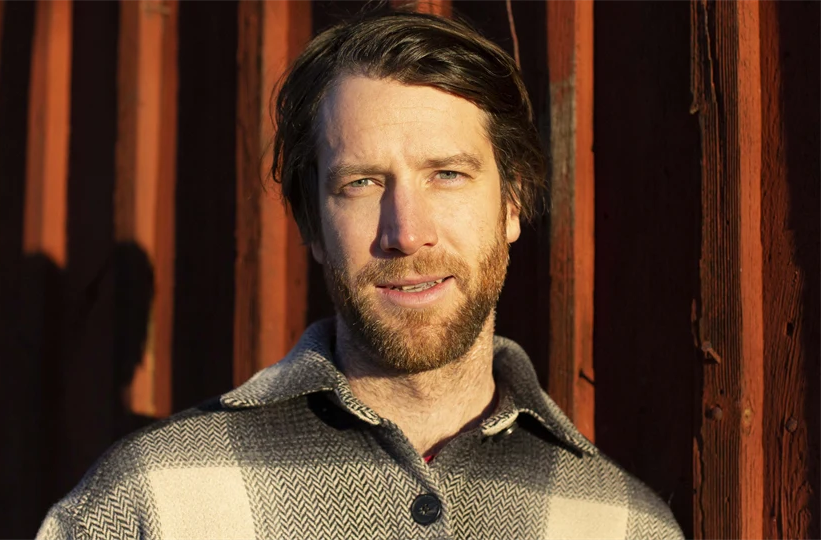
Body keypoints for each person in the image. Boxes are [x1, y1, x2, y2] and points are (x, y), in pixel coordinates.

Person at [37, 10, 683, 539]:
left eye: (448, 175)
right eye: (362, 183)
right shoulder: (153, 502)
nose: (405, 232)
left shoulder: (622, 525)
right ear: (312, 226)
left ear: (512, 202)